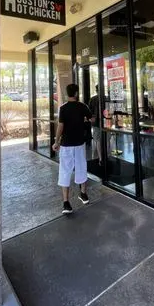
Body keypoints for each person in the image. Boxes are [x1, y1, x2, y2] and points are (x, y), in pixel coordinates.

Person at [52, 83, 92, 214]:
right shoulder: (82, 106)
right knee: (81, 167)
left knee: (65, 170)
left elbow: (60, 126)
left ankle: (66, 203)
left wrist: (56, 142)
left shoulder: (63, 108)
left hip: (66, 144)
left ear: (67, 94)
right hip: (79, 143)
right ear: (76, 93)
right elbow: (92, 118)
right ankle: (83, 194)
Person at [88, 84, 102, 164]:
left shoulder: (92, 99)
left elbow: (89, 112)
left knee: (98, 140)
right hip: (105, 123)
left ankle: (101, 158)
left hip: (96, 123)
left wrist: (91, 119)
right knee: (106, 139)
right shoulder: (106, 98)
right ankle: (105, 157)